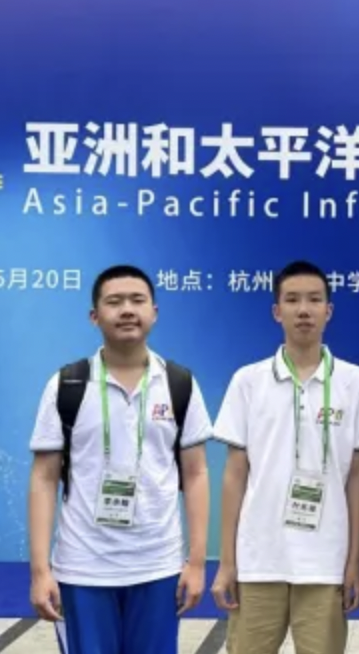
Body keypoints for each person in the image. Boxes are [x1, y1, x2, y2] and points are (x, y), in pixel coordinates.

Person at [27, 264, 213, 654]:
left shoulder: (179, 384)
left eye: (137, 300)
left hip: (158, 567)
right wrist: (41, 571)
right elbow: (44, 478)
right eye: (114, 302)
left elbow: (196, 474)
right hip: (83, 568)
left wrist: (196, 563)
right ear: (94, 316)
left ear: (154, 312)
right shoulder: (67, 384)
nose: (127, 309)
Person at [210, 260, 359, 654]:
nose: (304, 310)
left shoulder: (355, 382)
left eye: (314, 300)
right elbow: (235, 474)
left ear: (328, 311)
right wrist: (228, 562)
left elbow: (357, 477)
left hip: (325, 563)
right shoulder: (248, 381)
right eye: (292, 300)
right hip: (258, 560)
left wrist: (354, 561)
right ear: (277, 311)